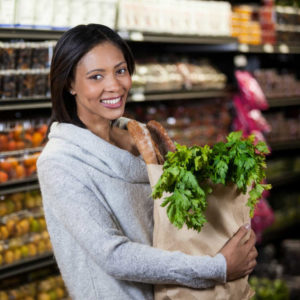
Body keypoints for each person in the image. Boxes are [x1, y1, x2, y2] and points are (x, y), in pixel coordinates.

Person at [37, 24, 258, 300]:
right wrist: (216, 267)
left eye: (120, 70)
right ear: (70, 84)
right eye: (96, 77)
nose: (114, 86)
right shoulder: (60, 161)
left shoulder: (143, 139)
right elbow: (114, 255)